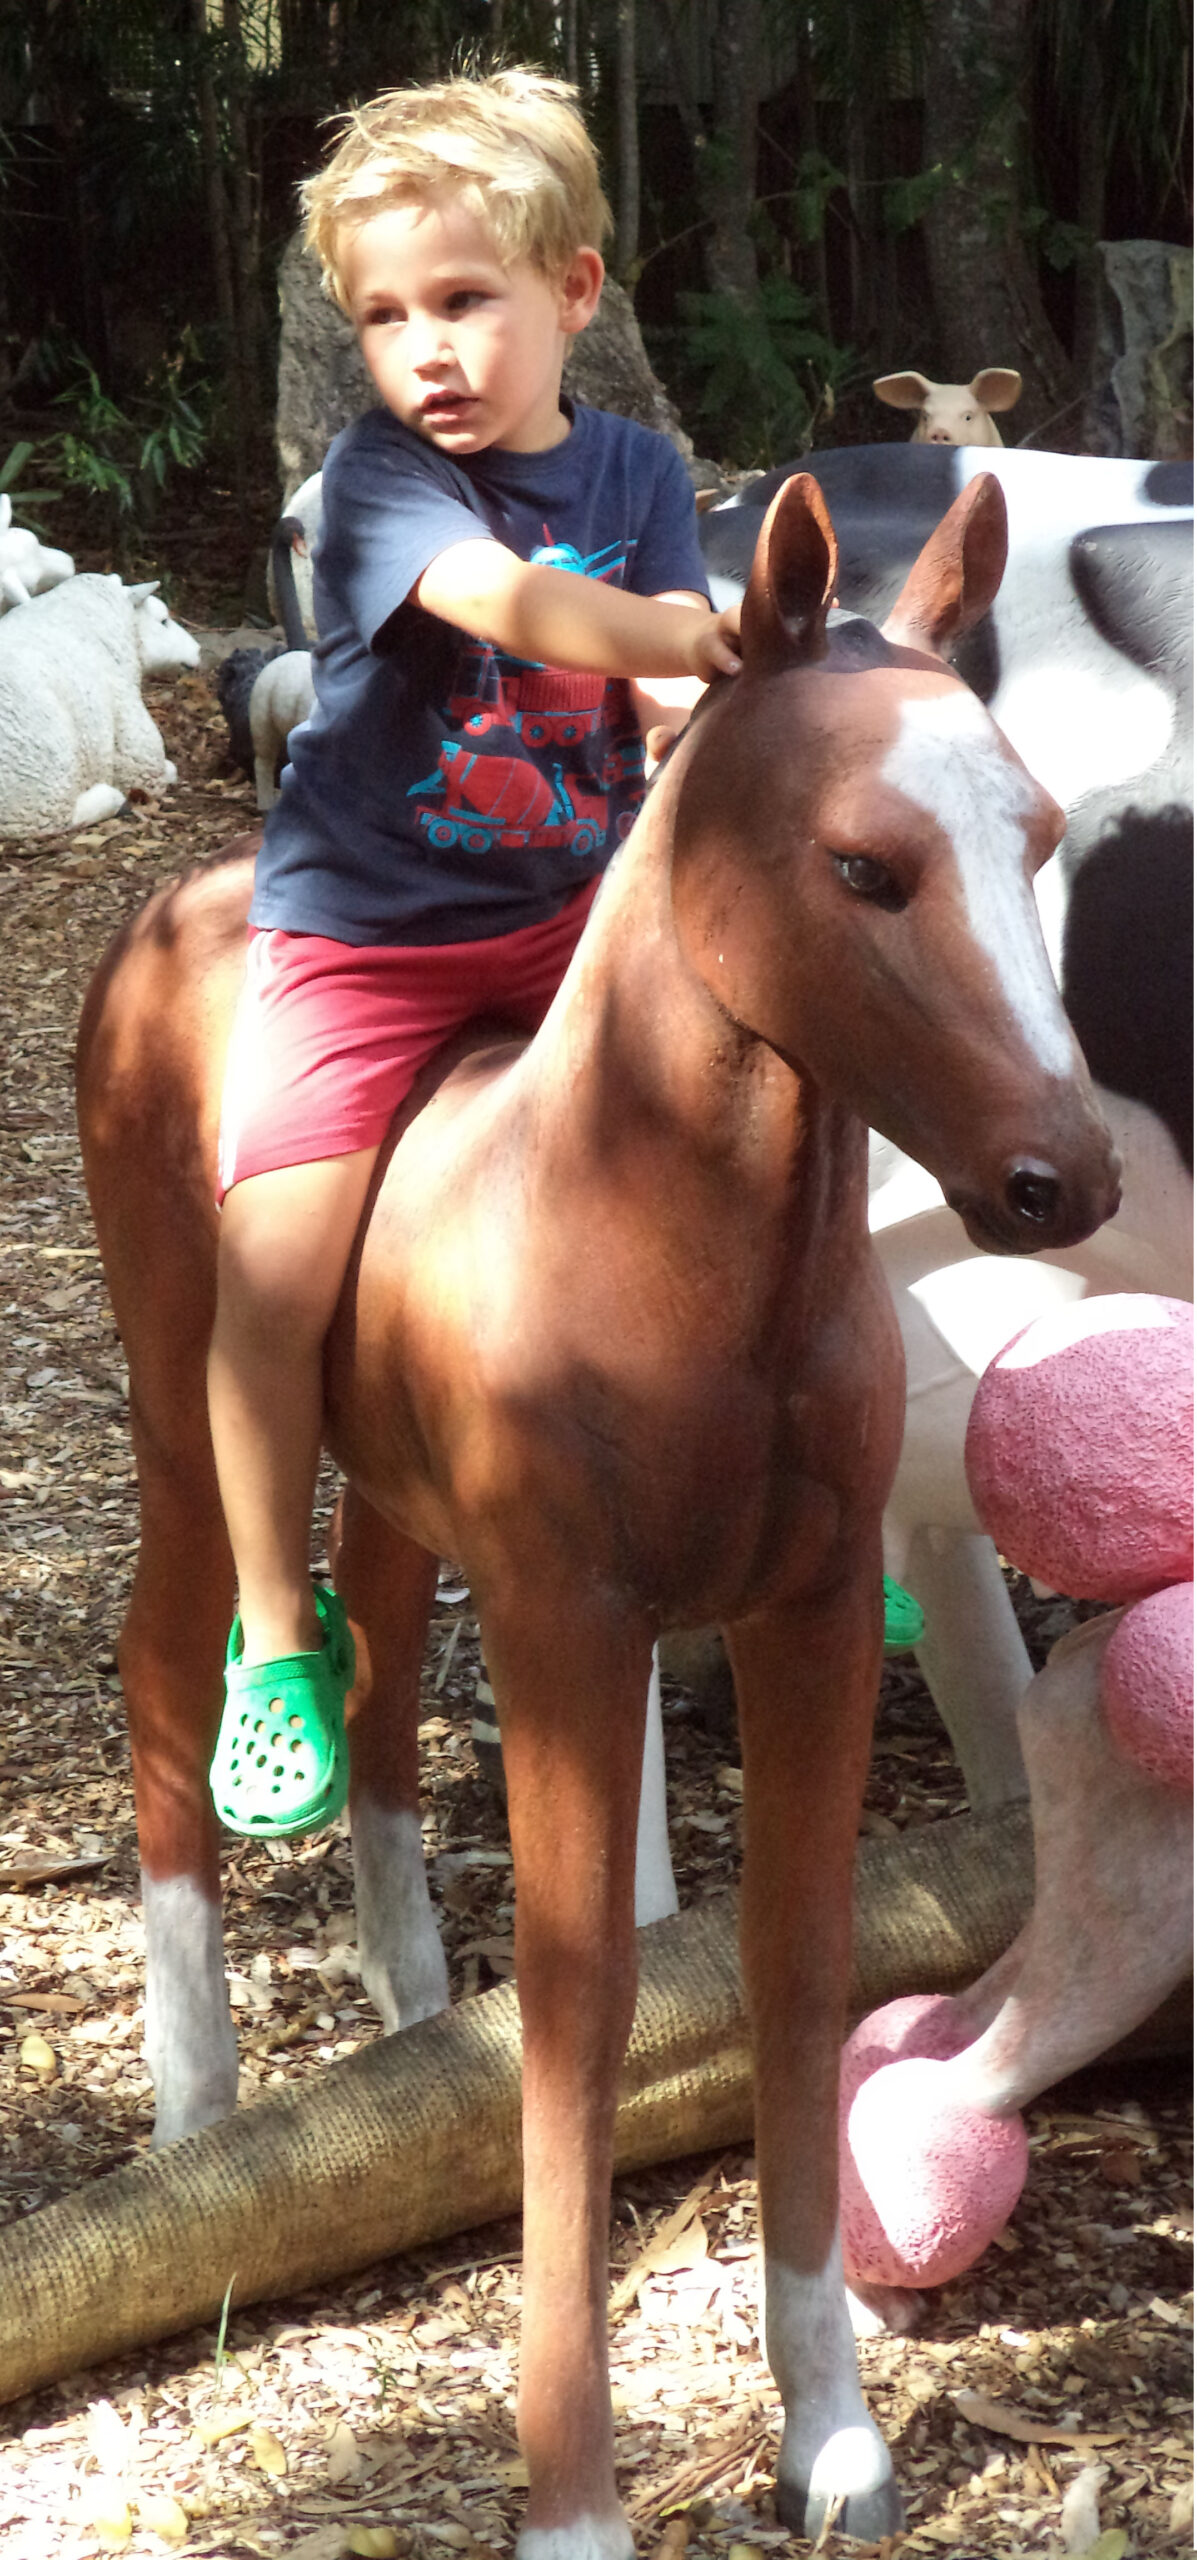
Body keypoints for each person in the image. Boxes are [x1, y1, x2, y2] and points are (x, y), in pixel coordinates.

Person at [205, 65, 744, 1837]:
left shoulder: (638, 467)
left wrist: (700, 694)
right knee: (273, 1272)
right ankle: (275, 1630)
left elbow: (661, 692)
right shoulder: (367, 484)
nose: (423, 348)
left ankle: (805, 1487)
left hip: (571, 910)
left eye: (462, 301)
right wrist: (684, 629)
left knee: (772, 1128)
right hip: (371, 931)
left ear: (572, 294)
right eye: (384, 315)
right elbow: (519, 610)